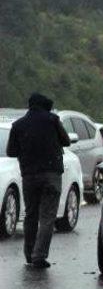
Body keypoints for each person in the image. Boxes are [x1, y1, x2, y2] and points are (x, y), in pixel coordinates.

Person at [7, 93, 70, 268]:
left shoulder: (18, 125)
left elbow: (11, 151)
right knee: (47, 217)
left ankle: (29, 254)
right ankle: (39, 255)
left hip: (29, 176)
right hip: (51, 175)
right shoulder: (52, 120)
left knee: (31, 215)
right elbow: (66, 141)